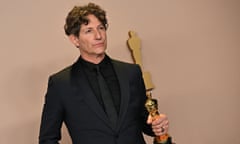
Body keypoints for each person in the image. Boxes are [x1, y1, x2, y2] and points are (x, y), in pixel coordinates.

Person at [39, 2, 170, 144]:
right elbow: (47, 139)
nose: (98, 36)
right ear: (75, 39)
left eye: (101, 28)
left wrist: (158, 125)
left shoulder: (131, 73)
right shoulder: (60, 84)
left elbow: (146, 122)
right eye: (89, 31)